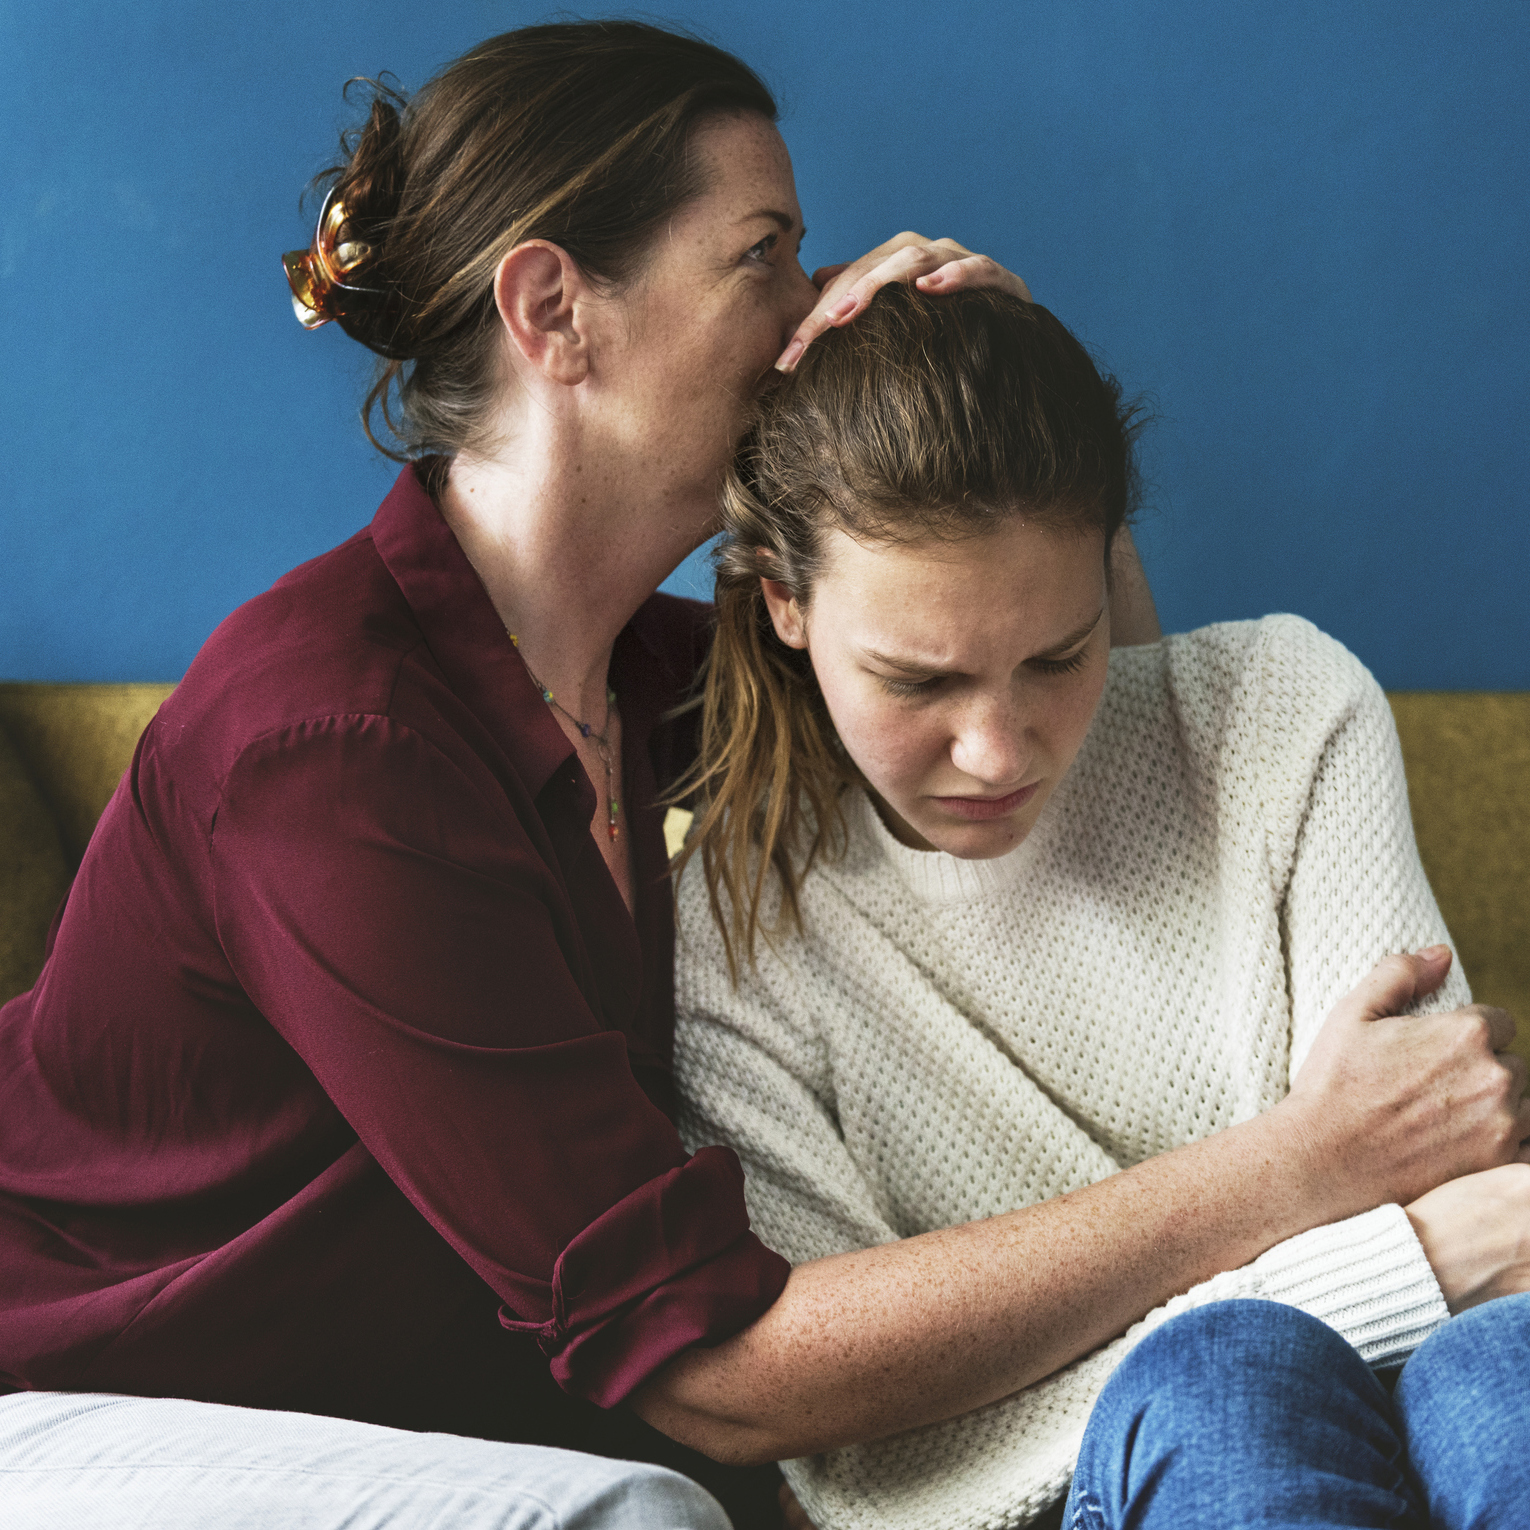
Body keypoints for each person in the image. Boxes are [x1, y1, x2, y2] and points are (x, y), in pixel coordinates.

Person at [0, 20, 1171, 1530]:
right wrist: (1295, 1178)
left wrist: (1026, 427)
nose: (815, 311)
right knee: (636, 1518)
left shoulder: (663, 679)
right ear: (556, 308)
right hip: (72, 1401)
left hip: (377, 1421)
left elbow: (1104, 773)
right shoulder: (329, 751)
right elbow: (710, 1365)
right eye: (762, 255)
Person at [671, 283, 1530, 1528]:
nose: (997, 749)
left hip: (1428, 1402)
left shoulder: (1280, 715)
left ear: (1109, 562)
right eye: (920, 679)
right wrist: (1393, 1262)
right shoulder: (725, 935)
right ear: (784, 604)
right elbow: (867, 1468)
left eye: (1058, 658)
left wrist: (1420, 1255)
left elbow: (1468, 1209)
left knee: (1498, 1371)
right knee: (1224, 1385)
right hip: (1067, 1500)